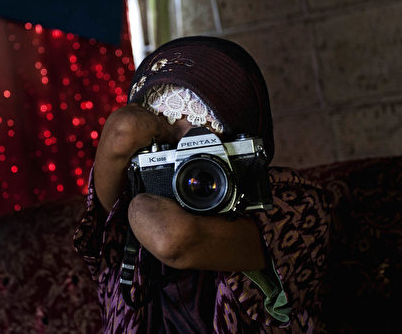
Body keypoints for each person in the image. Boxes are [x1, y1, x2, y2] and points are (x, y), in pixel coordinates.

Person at [73, 36, 330, 333]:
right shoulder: (125, 217)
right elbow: (121, 132)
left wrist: (142, 205)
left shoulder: (294, 202)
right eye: (171, 143)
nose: (189, 159)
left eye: (206, 131)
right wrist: (138, 140)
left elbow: (173, 239)